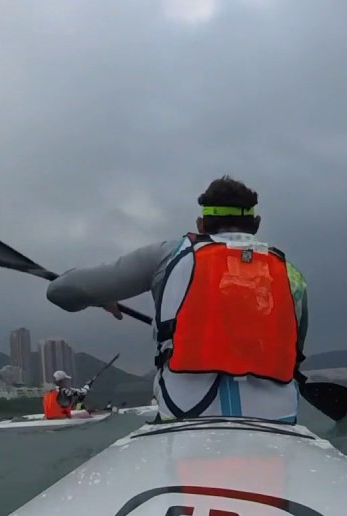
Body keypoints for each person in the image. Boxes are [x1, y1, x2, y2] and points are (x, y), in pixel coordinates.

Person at [45, 175, 308, 423]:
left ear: (201, 225)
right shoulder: (291, 275)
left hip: (186, 416)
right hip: (276, 419)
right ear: (256, 224)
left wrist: (100, 297)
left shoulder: (169, 256)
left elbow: (61, 292)